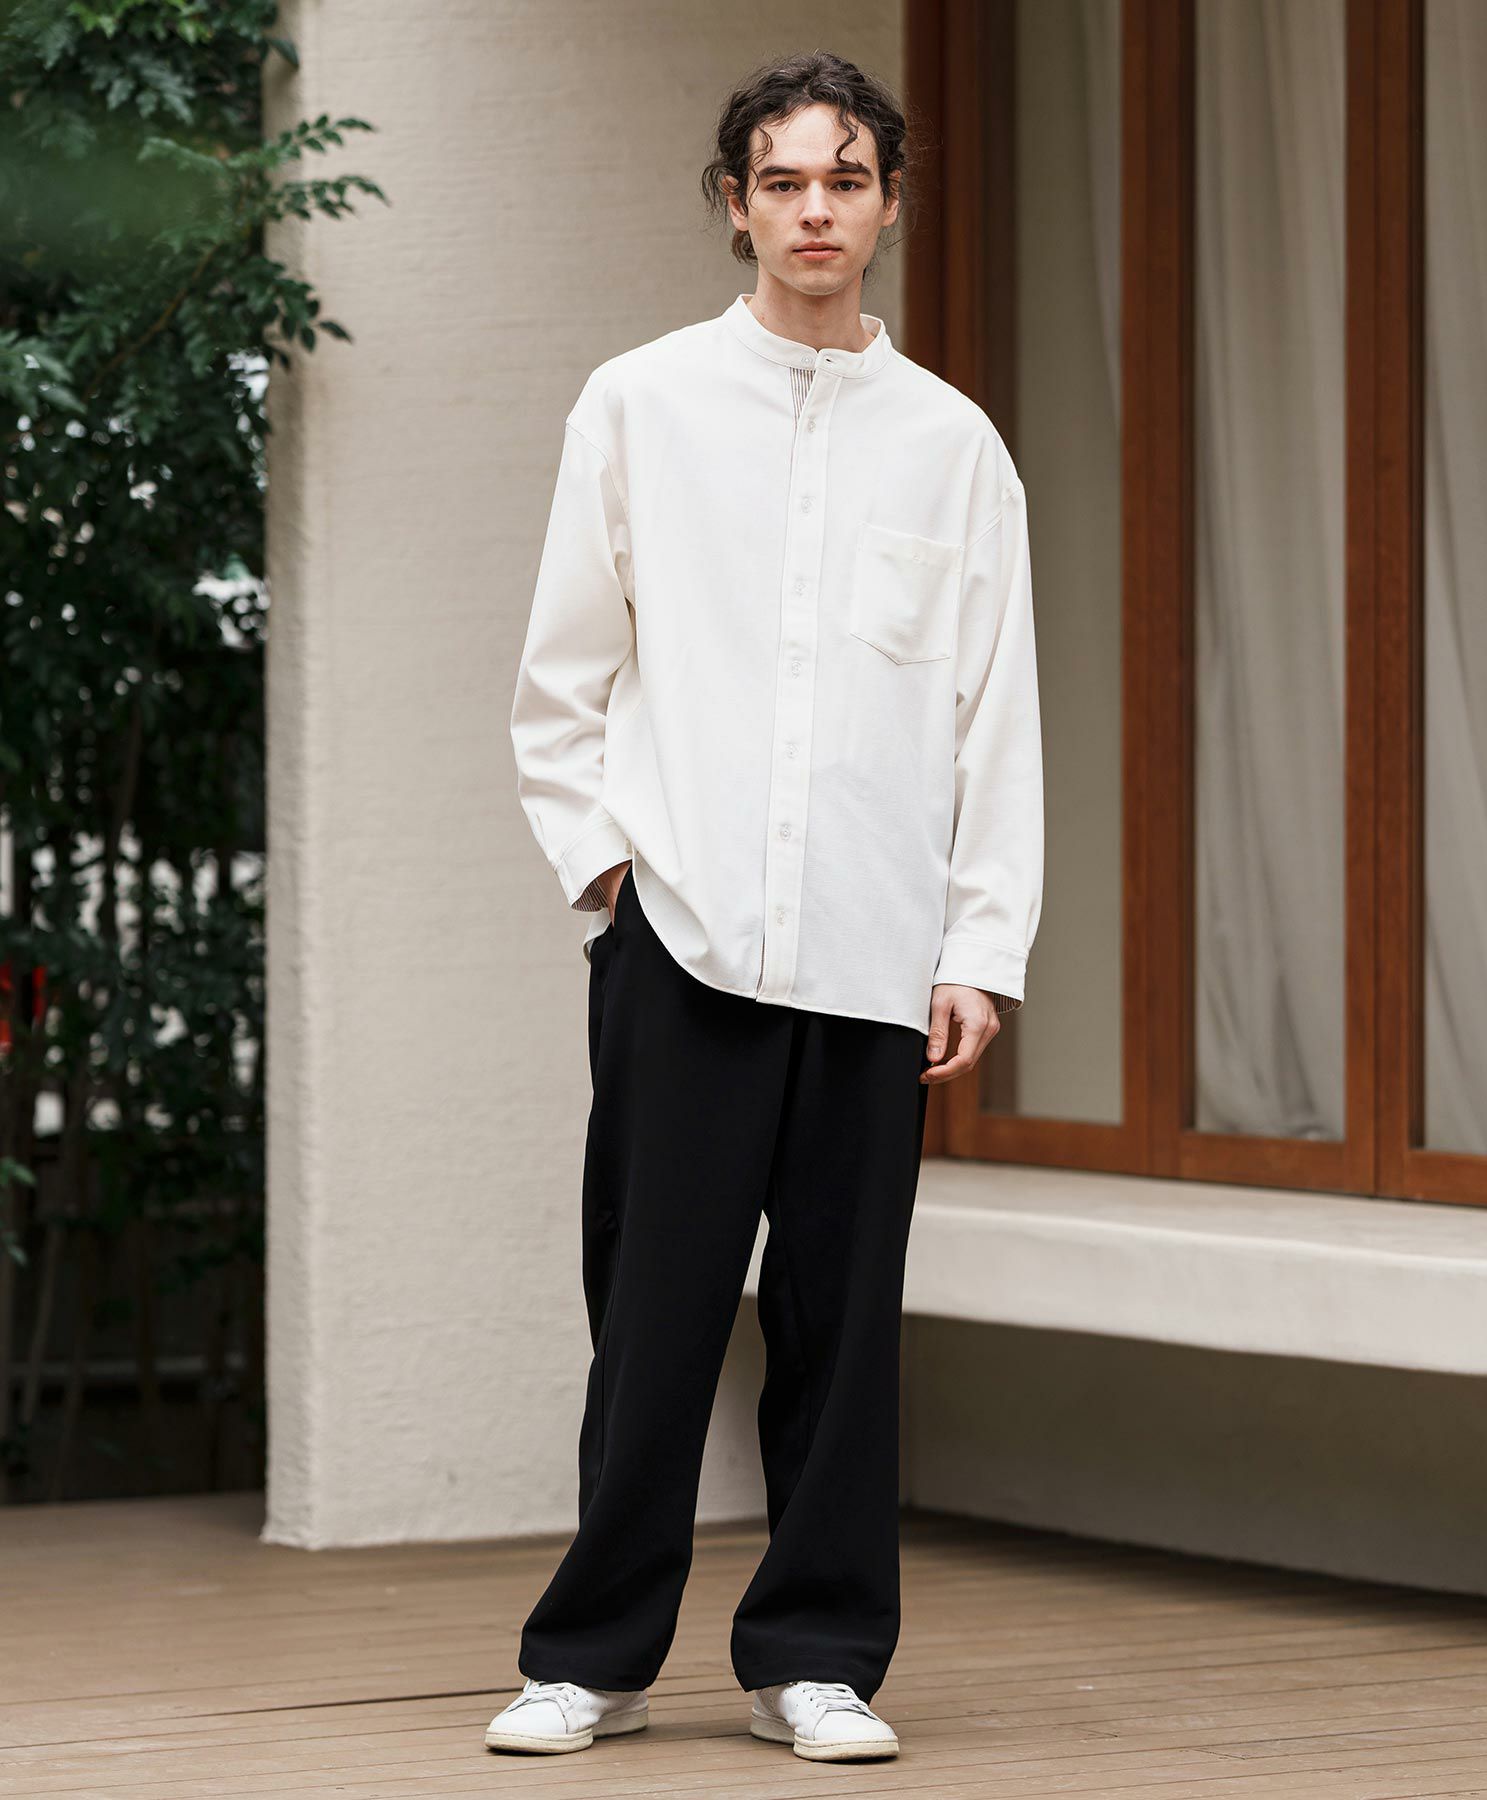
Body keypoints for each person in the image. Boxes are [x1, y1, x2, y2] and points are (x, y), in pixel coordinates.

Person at [492, 48, 1043, 1766]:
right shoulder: (639, 406)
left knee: (842, 1326)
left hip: (876, 952)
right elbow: (562, 676)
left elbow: (996, 715)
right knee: (652, 1318)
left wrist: (979, 947)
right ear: (736, 203)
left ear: (890, 204)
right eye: (784, 182)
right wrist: (611, 874)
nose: (816, 211)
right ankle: (592, 1658)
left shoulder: (953, 448)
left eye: (846, 181)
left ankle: (816, 1657)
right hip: (686, 937)